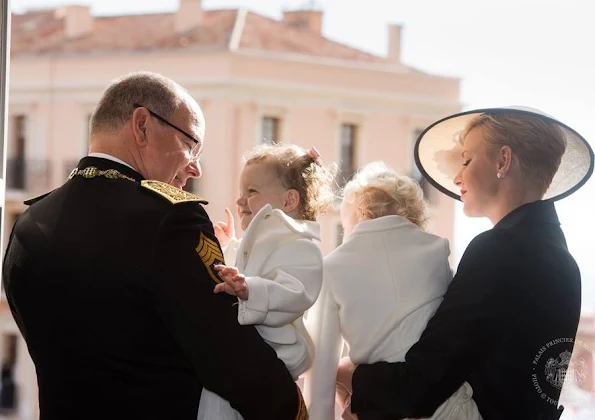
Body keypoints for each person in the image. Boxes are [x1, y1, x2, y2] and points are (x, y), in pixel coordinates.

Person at [1, 71, 307, 420]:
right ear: (143, 125)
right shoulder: (170, 220)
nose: (196, 169)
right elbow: (228, 355)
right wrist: (294, 408)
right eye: (191, 145)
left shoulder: (27, 225)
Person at [337, 107, 594, 420]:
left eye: (467, 160)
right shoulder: (563, 260)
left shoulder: (499, 250)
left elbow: (422, 385)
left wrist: (345, 373)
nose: (458, 176)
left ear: (503, 160)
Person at [303, 161, 481, 420]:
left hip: (382, 407)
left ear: (362, 213)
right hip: (450, 406)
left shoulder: (331, 267)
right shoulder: (437, 251)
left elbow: (320, 369)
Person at [199, 143, 335, 420]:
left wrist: (250, 289)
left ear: (289, 201)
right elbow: (241, 272)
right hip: (242, 355)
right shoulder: (256, 242)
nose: (240, 200)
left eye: (251, 192)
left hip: (273, 356)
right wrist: (226, 246)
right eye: (240, 193)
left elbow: (294, 293)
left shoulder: (302, 246)